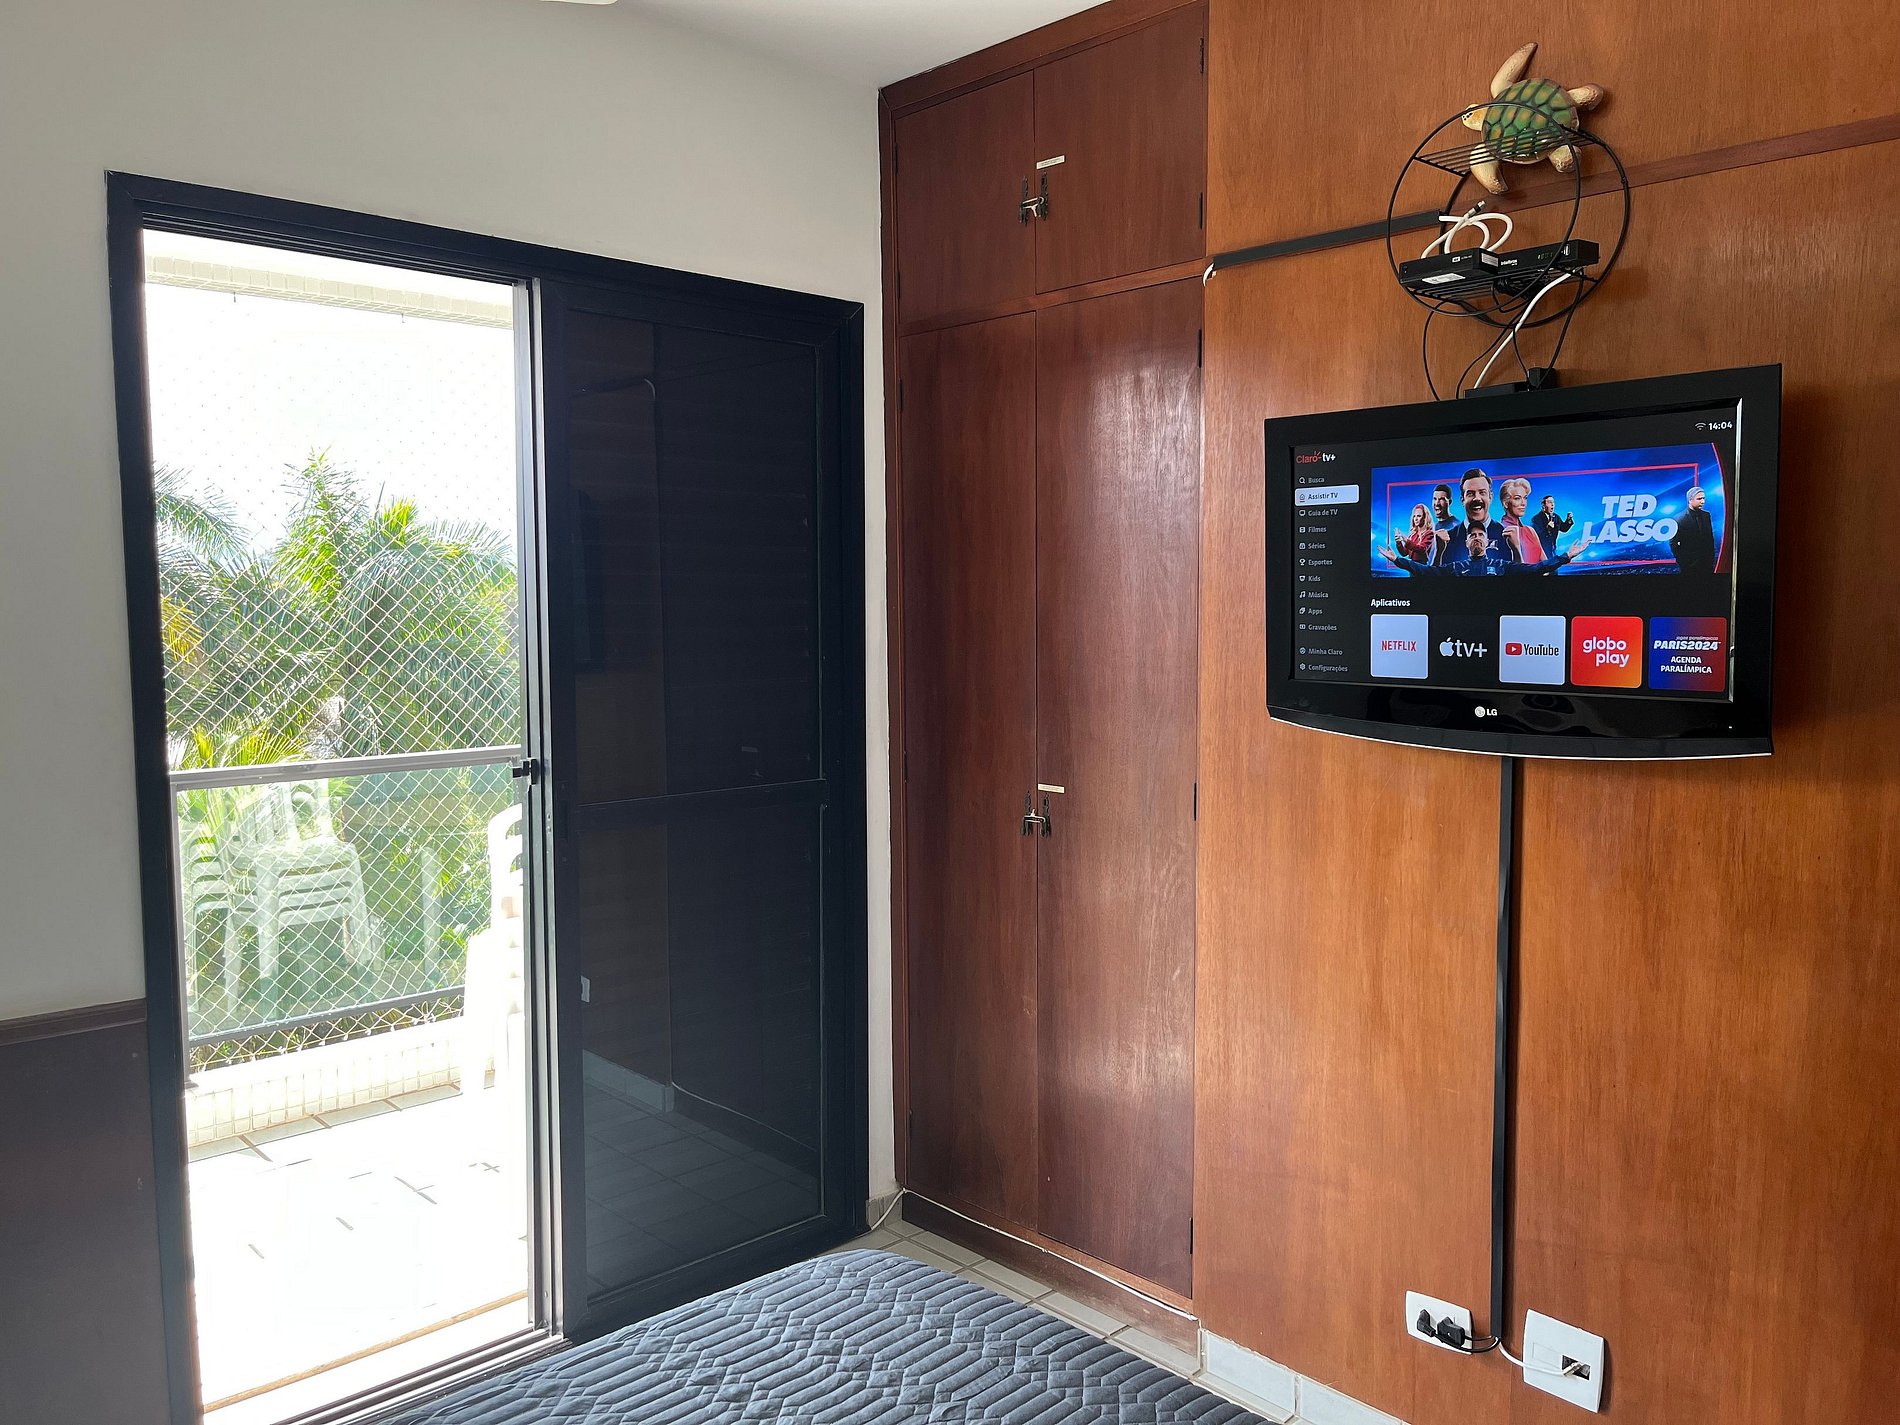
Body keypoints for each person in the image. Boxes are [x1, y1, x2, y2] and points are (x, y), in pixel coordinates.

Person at [1383, 526, 1586, 576]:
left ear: (1487, 542)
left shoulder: (1501, 566)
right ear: (1466, 543)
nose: (1477, 538)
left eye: (1481, 535)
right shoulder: (1456, 567)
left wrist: (1566, 556)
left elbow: (1536, 569)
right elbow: (1427, 571)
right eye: (1472, 535)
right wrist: (1397, 560)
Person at [1438, 468, 1519, 570]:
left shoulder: (1507, 536)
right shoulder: (1448, 539)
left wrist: (1517, 549)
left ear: (1490, 497)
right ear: (1462, 500)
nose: (1477, 498)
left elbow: (1517, 573)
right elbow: (1437, 574)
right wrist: (1438, 551)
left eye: (1482, 492)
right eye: (1470, 493)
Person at [1670, 486, 1717, 573]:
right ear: (1690, 500)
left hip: (1707, 564)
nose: (1703, 501)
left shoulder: (1707, 515)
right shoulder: (1678, 519)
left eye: (1703, 498)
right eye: (1699, 499)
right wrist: (1682, 562)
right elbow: (1673, 543)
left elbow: (1710, 539)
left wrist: (1711, 558)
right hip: (1688, 566)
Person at [1498, 477, 1545, 562]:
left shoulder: (1530, 531)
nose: (1523, 503)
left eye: (1525, 498)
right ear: (1506, 503)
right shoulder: (1499, 530)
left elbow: (1546, 564)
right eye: (1517, 498)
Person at [1531, 492, 1573, 557]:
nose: (1552, 504)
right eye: (1550, 502)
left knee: (1554, 562)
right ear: (1543, 505)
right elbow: (1536, 535)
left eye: (1553, 502)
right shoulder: (1536, 519)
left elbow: (1563, 529)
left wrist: (1568, 520)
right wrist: (1547, 529)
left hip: (1553, 549)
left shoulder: (1556, 517)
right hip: (1541, 550)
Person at [1428, 483, 1460, 564]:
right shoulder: (1434, 527)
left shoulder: (1457, 526)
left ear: (1449, 502)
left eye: (1441, 499)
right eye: (1435, 499)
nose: (1437, 503)